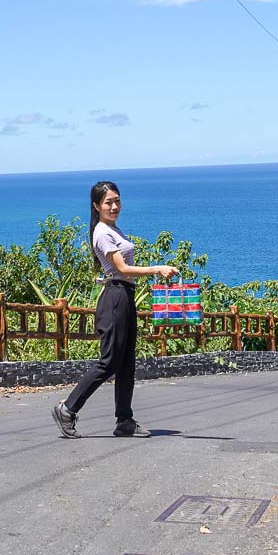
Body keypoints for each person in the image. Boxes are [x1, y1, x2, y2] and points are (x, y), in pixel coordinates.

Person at [52, 180, 177, 439]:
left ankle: (125, 420)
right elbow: (120, 268)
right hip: (114, 297)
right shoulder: (102, 232)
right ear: (96, 206)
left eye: (117, 200)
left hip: (125, 295)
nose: (114, 206)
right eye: (108, 202)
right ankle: (67, 409)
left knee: (127, 363)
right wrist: (156, 268)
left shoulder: (114, 229)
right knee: (109, 361)